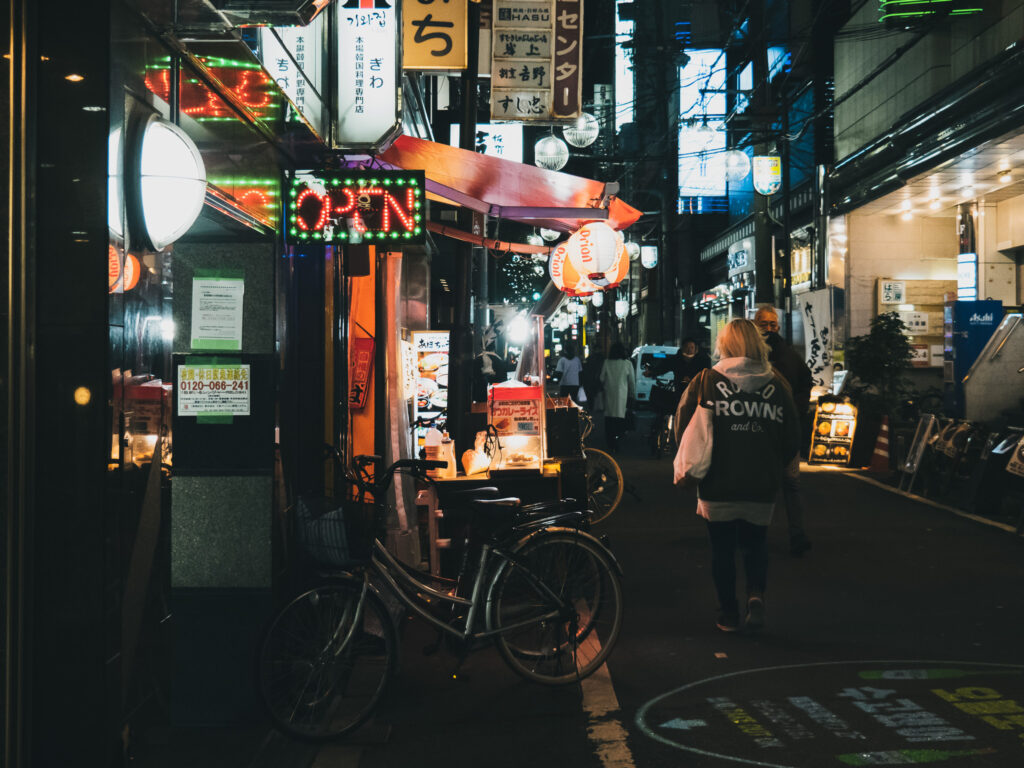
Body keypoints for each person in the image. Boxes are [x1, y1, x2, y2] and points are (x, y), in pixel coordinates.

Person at [673, 318, 800, 633]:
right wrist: (774, 464)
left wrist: (692, 460)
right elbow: (793, 436)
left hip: (719, 481)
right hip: (762, 482)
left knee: (722, 549)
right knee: (756, 543)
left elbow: (683, 425)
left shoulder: (707, 380)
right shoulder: (777, 383)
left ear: (724, 345)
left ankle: (728, 613)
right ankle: (756, 594)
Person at [753, 306, 814, 558]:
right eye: (764, 324)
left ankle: (796, 535)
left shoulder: (788, 355)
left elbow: (805, 384)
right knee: (760, 486)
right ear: (755, 325)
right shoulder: (748, 356)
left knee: (789, 483)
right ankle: (756, 537)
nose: (769, 328)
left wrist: (794, 411)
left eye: (773, 324)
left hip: (783, 431)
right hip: (757, 431)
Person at [646, 337, 712, 399]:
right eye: (687, 347)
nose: (689, 350)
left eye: (691, 347)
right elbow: (663, 367)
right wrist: (651, 372)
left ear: (695, 349)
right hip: (680, 393)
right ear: (682, 348)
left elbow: (708, 373)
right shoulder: (676, 360)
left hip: (697, 393)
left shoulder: (702, 360)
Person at [600, 342, 635, 452]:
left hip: (609, 393)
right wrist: (632, 395)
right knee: (619, 419)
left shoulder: (607, 363)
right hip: (622, 396)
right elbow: (631, 382)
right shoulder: (627, 364)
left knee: (609, 419)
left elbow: (601, 378)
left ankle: (610, 443)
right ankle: (617, 441)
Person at [471, 321, 509, 402]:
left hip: (479, 402)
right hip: (497, 402)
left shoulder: (476, 361)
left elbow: (472, 383)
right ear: (494, 347)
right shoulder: (500, 362)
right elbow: (504, 384)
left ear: (482, 346)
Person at [581, 348, 605, 412]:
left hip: (590, 378)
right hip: (598, 378)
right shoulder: (602, 358)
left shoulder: (590, 358)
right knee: (598, 392)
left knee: (590, 394)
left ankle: (591, 406)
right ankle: (598, 406)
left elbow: (585, 368)